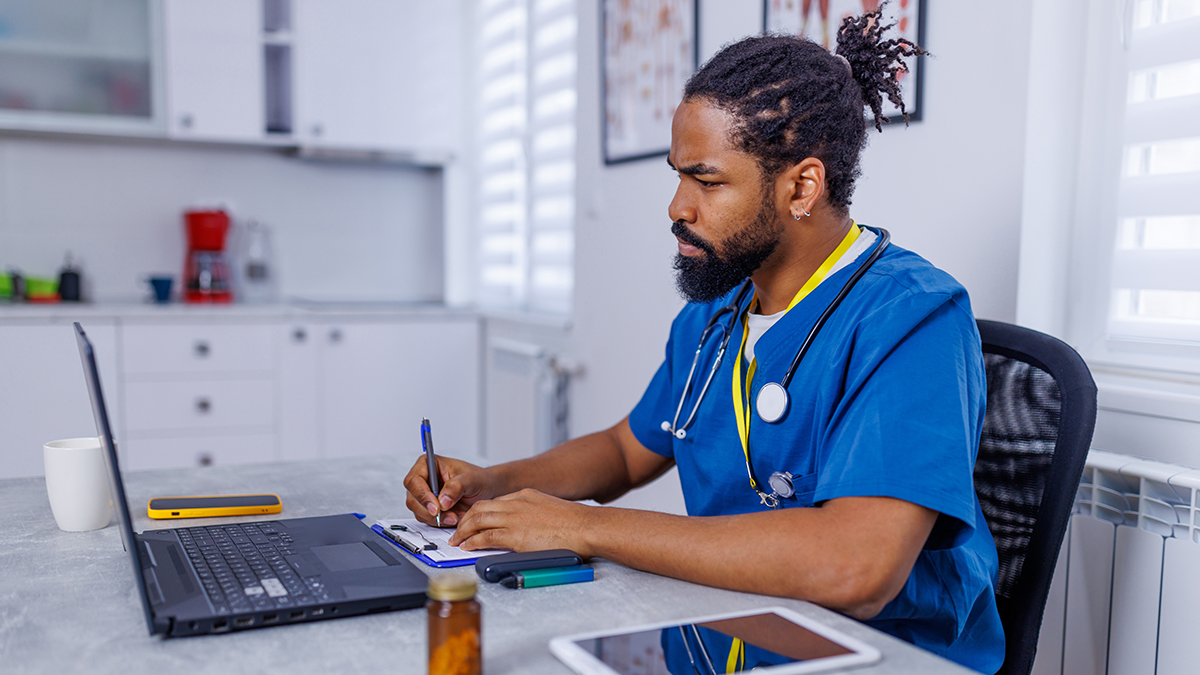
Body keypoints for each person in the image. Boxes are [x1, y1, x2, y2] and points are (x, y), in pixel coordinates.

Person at [405, 6, 1004, 673]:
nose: (677, 207)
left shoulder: (912, 317)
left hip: (878, 656)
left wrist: (582, 526)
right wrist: (493, 484)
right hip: (721, 632)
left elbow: (855, 567)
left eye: (706, 180)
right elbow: (625, 451)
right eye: (678, 175)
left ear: (802, 185)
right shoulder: (717, 311)